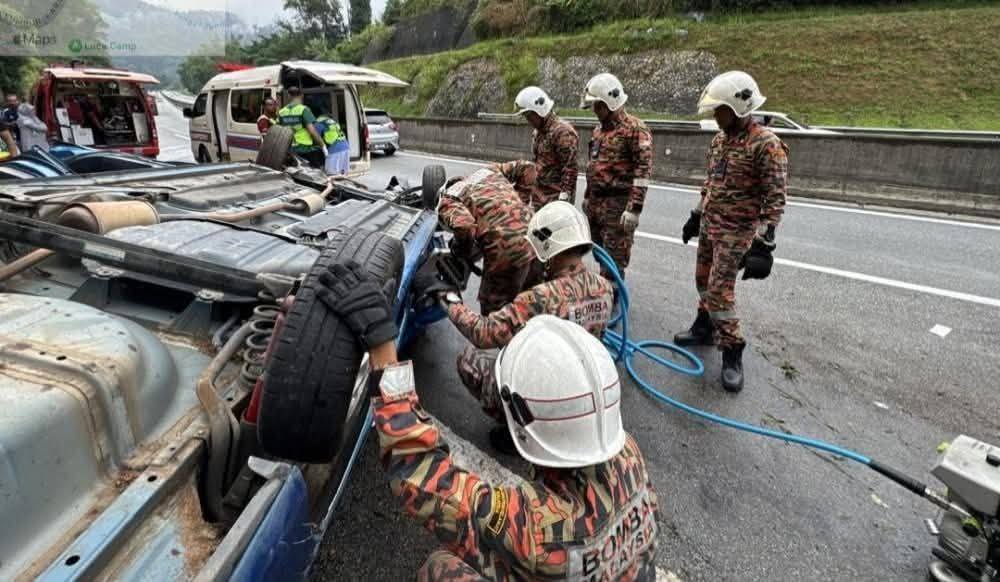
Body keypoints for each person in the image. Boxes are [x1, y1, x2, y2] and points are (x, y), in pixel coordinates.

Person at [315, 262, 660, 581]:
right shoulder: (629, 453)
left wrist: (383, 351)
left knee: (442, 569)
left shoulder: (535, 530)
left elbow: (418, 470)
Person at [425, 201, 614, 453]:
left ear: (550, 248)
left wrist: (449, 299)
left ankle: (519, 431)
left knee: (469, 360)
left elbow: (483, 333)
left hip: (547, 398)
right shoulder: (605, 288)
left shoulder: (541, 297)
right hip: (583, 393)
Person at [674, 71, 788, 393]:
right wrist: (696, 216)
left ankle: (733, 349)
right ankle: (704, 327)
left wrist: (765, 244)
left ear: (739, 107)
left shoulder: (766, 145)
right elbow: (710, 183)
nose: (715, 116)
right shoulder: (720, 140)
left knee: (720, 292)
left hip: (737, 233)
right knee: (702, 281)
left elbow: (775, 197)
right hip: (712, 225)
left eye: (719, 110)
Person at [580, 73, 653, 281]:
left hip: (617, 204)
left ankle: (612, 296)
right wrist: (587, 196)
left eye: (598, 105)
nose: (594, 110)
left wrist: (634, 209)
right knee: (599, 251)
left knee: (614, 257)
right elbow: (592, 166)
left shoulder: (635, 130)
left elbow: (643, 171)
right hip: (596, 203)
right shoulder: (598, 131)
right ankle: (606, 289)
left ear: (610, 102)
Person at [437, 164, 536, 315]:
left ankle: (505, 336)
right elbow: (528, 168)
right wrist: (521, 201)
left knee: (494, 311)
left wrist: (461, 250)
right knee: (531, 300)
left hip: (506, 248)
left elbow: (464, 226)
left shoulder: (449, 198)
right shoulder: (489, 171)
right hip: (535, 236)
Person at [513, 86, 579, 209]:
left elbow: (570, 167)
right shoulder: (538, 132)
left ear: (539, 111)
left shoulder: (563, 132)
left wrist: (564, 197)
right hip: (539, 198)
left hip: (556, 199)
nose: (528, 120)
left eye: (529, 116)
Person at [277, 86, 326, 169]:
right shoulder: (304, 109)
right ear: (301, 95)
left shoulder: (281, 112)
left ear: (288, 95)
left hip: (290, 149)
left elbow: (280, 131)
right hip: (305, 149)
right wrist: (323, 145)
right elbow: (312, 131)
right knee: (312, 174)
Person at [314, 109, 350, 175]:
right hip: (345, 147)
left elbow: (316, 138)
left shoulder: (318, 123)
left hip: (335, 150)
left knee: (331, 175)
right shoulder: (331, 121)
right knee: (342, 174)